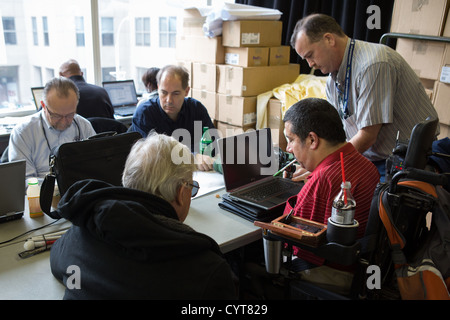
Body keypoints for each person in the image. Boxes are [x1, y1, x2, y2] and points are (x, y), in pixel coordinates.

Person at [50, 133, 237, 300]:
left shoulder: (83, 231)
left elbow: (57, 262)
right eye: (191, 186)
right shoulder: (207, 270)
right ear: (181, 193)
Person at [290, 13, 439, 181]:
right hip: (372, 157)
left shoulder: (373, 64)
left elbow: (367, 136)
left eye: (310, 55)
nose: (310, 64)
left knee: (332, 192)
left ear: (329, 39)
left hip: (401, 162)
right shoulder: (333, 79)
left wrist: (324, 166)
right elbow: (337, 134)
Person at [282, 97, 380, 294]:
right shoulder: (366, 164)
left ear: (312, 140)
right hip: (366, 266)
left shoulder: (324, 180)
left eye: (291, 140)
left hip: (334, 271)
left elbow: (297, 243)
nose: (288, 149)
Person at [129, 65, 216, 171]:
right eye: (164, 93)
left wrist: (204, 156)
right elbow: (154, 158)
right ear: (158, 87)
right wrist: (193, 157)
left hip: (195, 174)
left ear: (186, 91)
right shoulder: (145, 114)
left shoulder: (196, 109)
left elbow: (213, 144)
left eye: (175, 94)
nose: (169, 100)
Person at [8, 77, 96, 179]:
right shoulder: (23, 133)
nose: (63, 122)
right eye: (57, 116)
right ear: (43, 105)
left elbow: (97, 166)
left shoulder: (83, 125)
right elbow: (25, 180)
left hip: (81, 190)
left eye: (70, 115)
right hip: (44, 193)